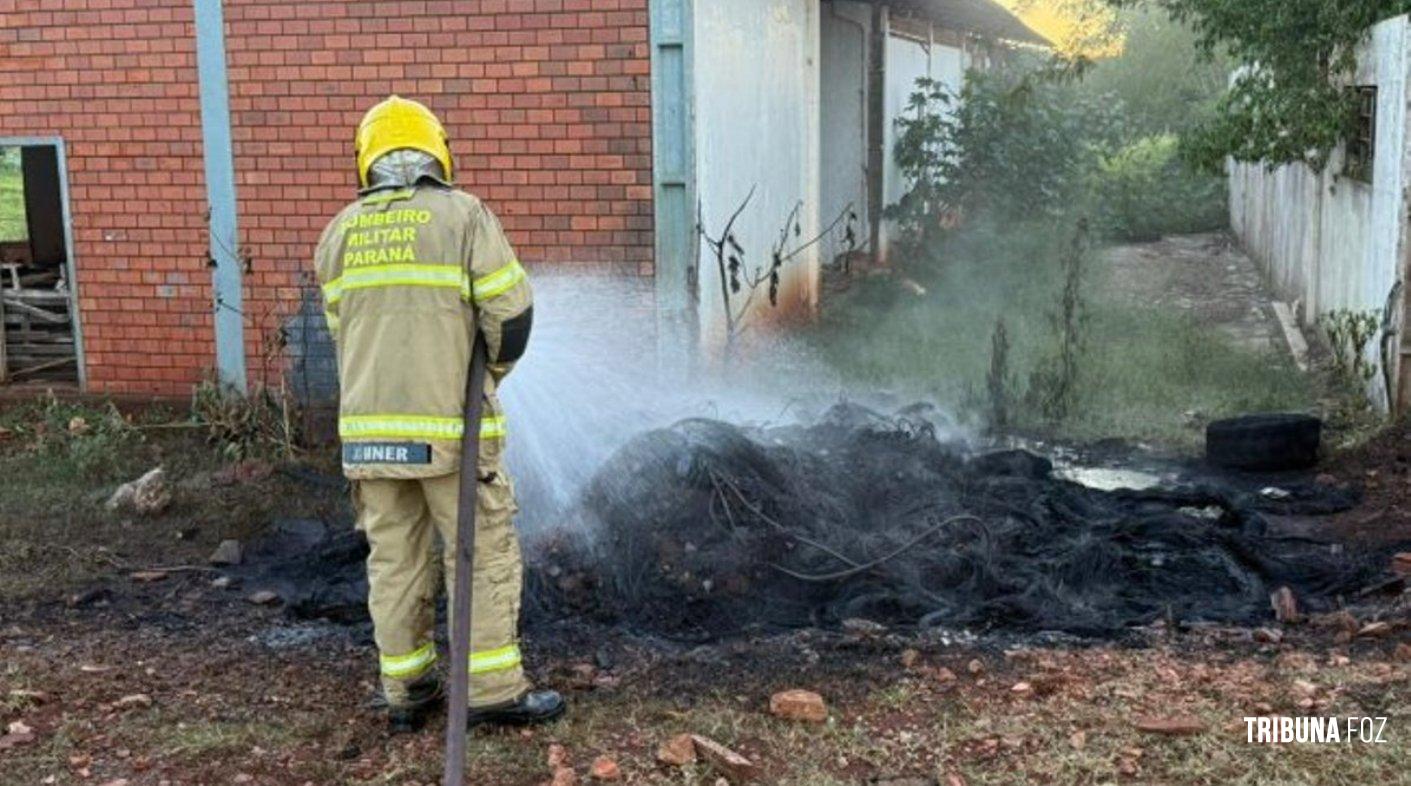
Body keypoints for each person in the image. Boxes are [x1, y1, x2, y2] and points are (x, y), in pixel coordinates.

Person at [314, 95, 564, 733]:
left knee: (394, 560)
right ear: (438, 152)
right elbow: (512, 316)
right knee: (479, 553)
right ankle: (492, 690)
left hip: (370, 441)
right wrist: (489, 377)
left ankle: (408, 688)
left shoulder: (339, 233)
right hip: (452, 435)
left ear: (365, 160)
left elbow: (341, 334)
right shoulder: (464, 217)